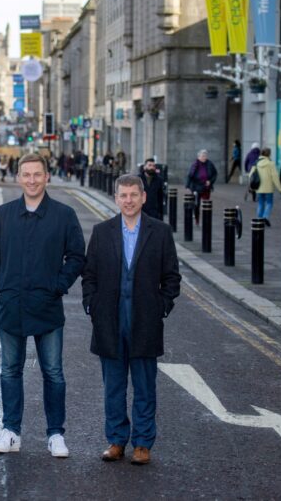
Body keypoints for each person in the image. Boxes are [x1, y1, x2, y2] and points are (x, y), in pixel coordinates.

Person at [0, 153, 85, 458]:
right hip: (11, 306)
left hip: (47, 306)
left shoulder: (64, 215)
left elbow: (77, 256)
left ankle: (56, 434)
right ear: (18, 177)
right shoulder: (4, 214)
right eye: (26, 174)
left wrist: (59, 285)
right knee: (10, 370)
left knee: (53, 372)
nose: (31, 180)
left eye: (37, 174)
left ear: (47, 177)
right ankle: (11, 431)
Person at [82, 174, 181, 466]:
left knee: (144, 387)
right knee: (113, 386)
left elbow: (172, 278)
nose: (128, 200)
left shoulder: (160, 232)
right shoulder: (102, 232)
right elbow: (89, 275)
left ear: (143, 197)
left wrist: (161, 308)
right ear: (116, 198)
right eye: (123, 195)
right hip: (109, 322)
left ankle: (142, 444)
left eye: (133, 195)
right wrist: (92, 306)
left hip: (145, 322)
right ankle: (115, 440)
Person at [252, 147, 281, 227]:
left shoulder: (256, 162)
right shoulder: (270, 163)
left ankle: (259, 219)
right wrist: (280, 188)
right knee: (269, 203)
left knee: (260, 203)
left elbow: (251, 174)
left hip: (259, 187)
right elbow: (275, 176)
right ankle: (265, 217)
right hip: (268, 188)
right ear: (269, 154)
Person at [185, 149, 217, 225]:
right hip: (196, 186)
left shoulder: (209, 164)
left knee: (206, 203)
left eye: (205, 156)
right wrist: (188, 185)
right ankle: (197, 219)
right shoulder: (195, 164)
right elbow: (190, 175)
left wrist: (210, 181)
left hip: (206, 187)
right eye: (202, 156)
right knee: (197, 204)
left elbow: (215, 174)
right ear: (198, 157)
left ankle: (206, 219)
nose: (204, 157)